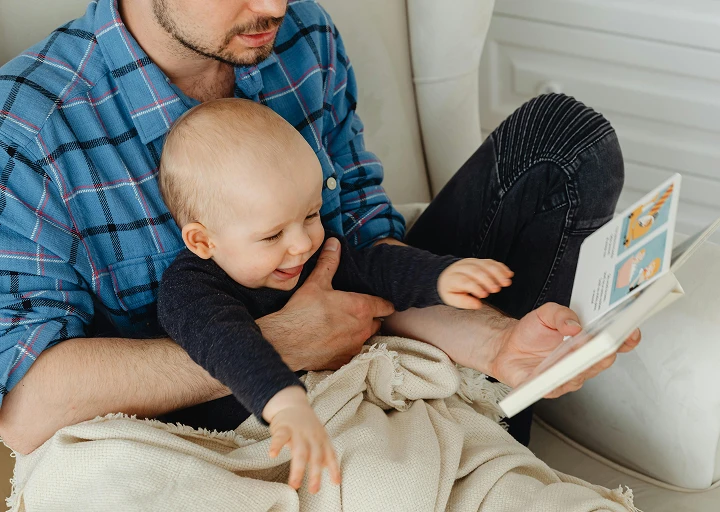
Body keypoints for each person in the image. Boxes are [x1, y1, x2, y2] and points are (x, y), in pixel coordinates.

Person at [0, 0, 639, 456]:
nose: (274, 6)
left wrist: (494, 341)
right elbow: (25, 411)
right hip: (213, 428)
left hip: (366, 355)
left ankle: (485, 423)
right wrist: (279, 344)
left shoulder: (300, 34)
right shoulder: (28, 127)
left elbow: (357, 246)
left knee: (562, 141)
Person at [156, 98, 515, 492]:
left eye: (311, 215)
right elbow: (229, 345)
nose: (302, 244)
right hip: (252, 430)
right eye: (272, 235)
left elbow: (375, 269)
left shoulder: (311, 257)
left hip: (334, 408)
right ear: (203, 240)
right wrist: (283, 402)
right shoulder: (190, 291)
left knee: (440, 459)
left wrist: (441, 277)